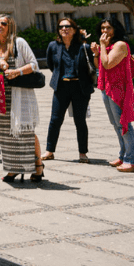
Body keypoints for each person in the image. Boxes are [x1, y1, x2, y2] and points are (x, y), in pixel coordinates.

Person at [0, 15, 42, 183]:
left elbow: (34, 64)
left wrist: (17, 71)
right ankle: (12, 169)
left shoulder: (18, 43)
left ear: (10, 26)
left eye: (3, 23)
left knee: (25, 132)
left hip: (19, 94)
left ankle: (38, 166)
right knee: (6, 134)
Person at [42, 18, 94, 163]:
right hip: (61, 87)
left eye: (68, 26)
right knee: (55, 120)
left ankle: (82, 153)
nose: (64, 29)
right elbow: (51, 65)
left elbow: (91, 65)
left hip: (80, 87)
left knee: (80, 121)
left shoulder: (84, 46)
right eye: (61, 27)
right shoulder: (53, 46)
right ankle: (49, 150)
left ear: (74, 29)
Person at [93, 17, 134, 173]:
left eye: (108, 28)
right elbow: (100, 66)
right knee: (115, 123)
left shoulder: (119, 45)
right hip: (107, 87)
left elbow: (108, 64)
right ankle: (123, 155)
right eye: (102, 28)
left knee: (123, 123)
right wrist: (96, 53)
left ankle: (132, 160)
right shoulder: (109, 46)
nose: (105, 31)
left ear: (116, 29)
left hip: (118, 88)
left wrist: (102, 46)